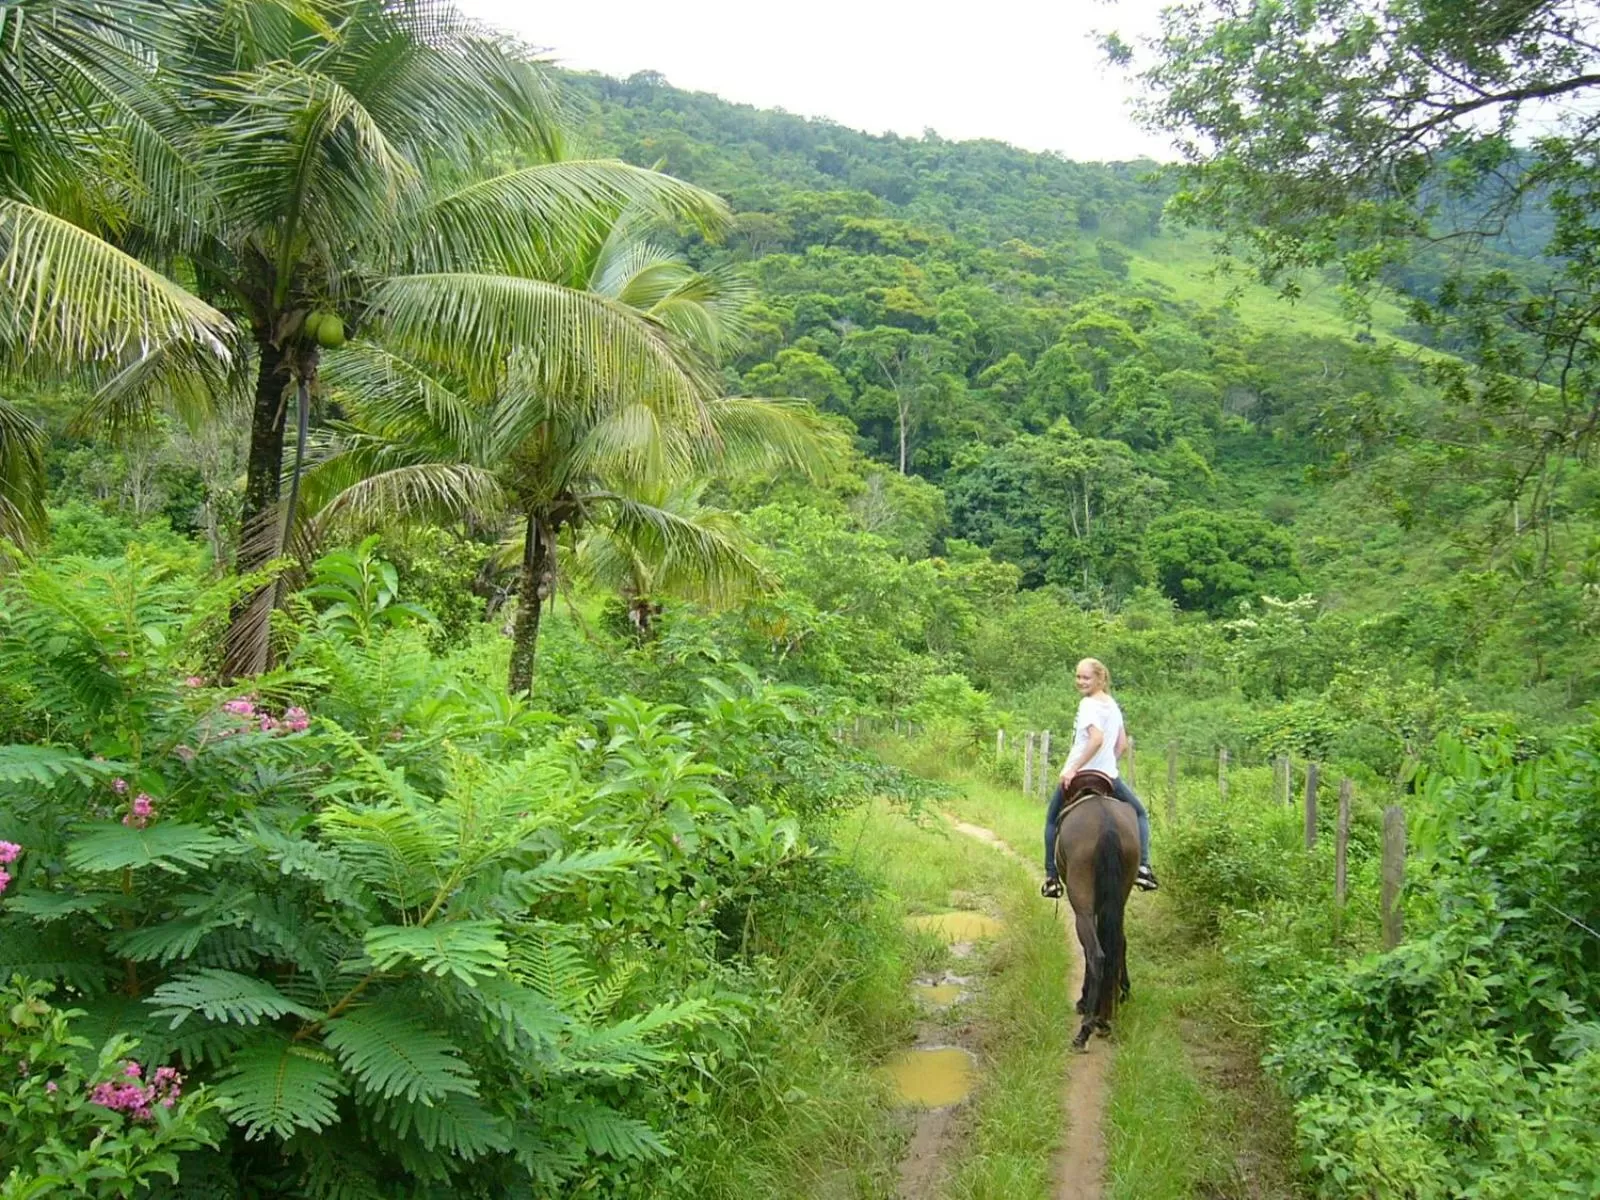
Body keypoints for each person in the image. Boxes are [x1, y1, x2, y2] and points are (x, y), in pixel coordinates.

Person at [1040, 657, 1159, 898]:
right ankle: (1144, 867)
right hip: (1107, 777)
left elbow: (1096, 739)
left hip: (1079, 776)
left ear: (1100, 679)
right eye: (1078, 677)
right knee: (1139, 814)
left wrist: (1074, 769)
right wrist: (1107, 763)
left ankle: (1052, 876)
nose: (1080, 682)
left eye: (1086, 677)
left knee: (1052, 820)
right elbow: (1122, 744)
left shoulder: (1087, 705)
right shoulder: (1112, 705)